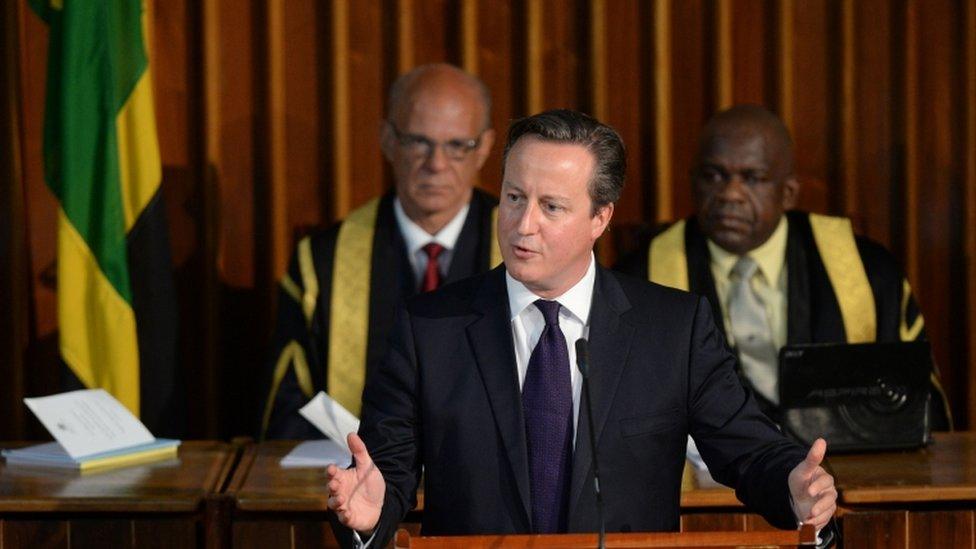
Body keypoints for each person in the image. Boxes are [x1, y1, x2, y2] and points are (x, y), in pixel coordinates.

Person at [325, 110, 837, 547]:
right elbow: (385, 471)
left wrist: (794, 486)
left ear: (600, 217)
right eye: (514, 198)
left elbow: (747, 452)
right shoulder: (429, 329)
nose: (523, 225)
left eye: (552, 207)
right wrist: (370, 515)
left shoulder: (673, 331)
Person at [617, 104, 951, 428]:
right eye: (713, 176)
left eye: (752, 178)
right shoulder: (640, 277)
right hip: (705, 480)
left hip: (844, 475)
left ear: (788, 193)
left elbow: (918, 403)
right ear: (693, 182)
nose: (730, 194)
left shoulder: (869, 271)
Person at [260, 63, 499, 439]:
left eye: (457, 146)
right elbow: (287, 407)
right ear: (388, 140)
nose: (436, 165)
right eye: (418, 142)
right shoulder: (322, 261)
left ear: (484, 147)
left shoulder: (528, 250)